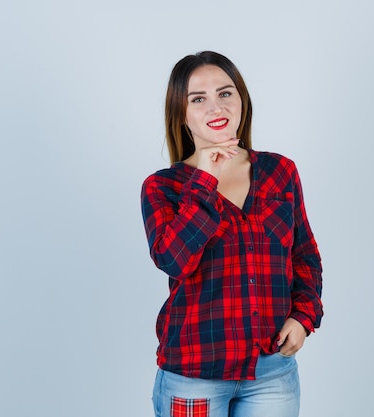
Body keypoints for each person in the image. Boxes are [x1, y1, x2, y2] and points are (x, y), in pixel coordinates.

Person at [140, 51, 323, 417]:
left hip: (271, 372)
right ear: (182, 114)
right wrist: (205, 180)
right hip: (194, 375)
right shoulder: (163, 187)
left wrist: (303, 317)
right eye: (198, 99)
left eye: (225, 93)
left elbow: (304, 257)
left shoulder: (280, 171)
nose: (215, 107)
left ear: (242, 100)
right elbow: (174, 260)